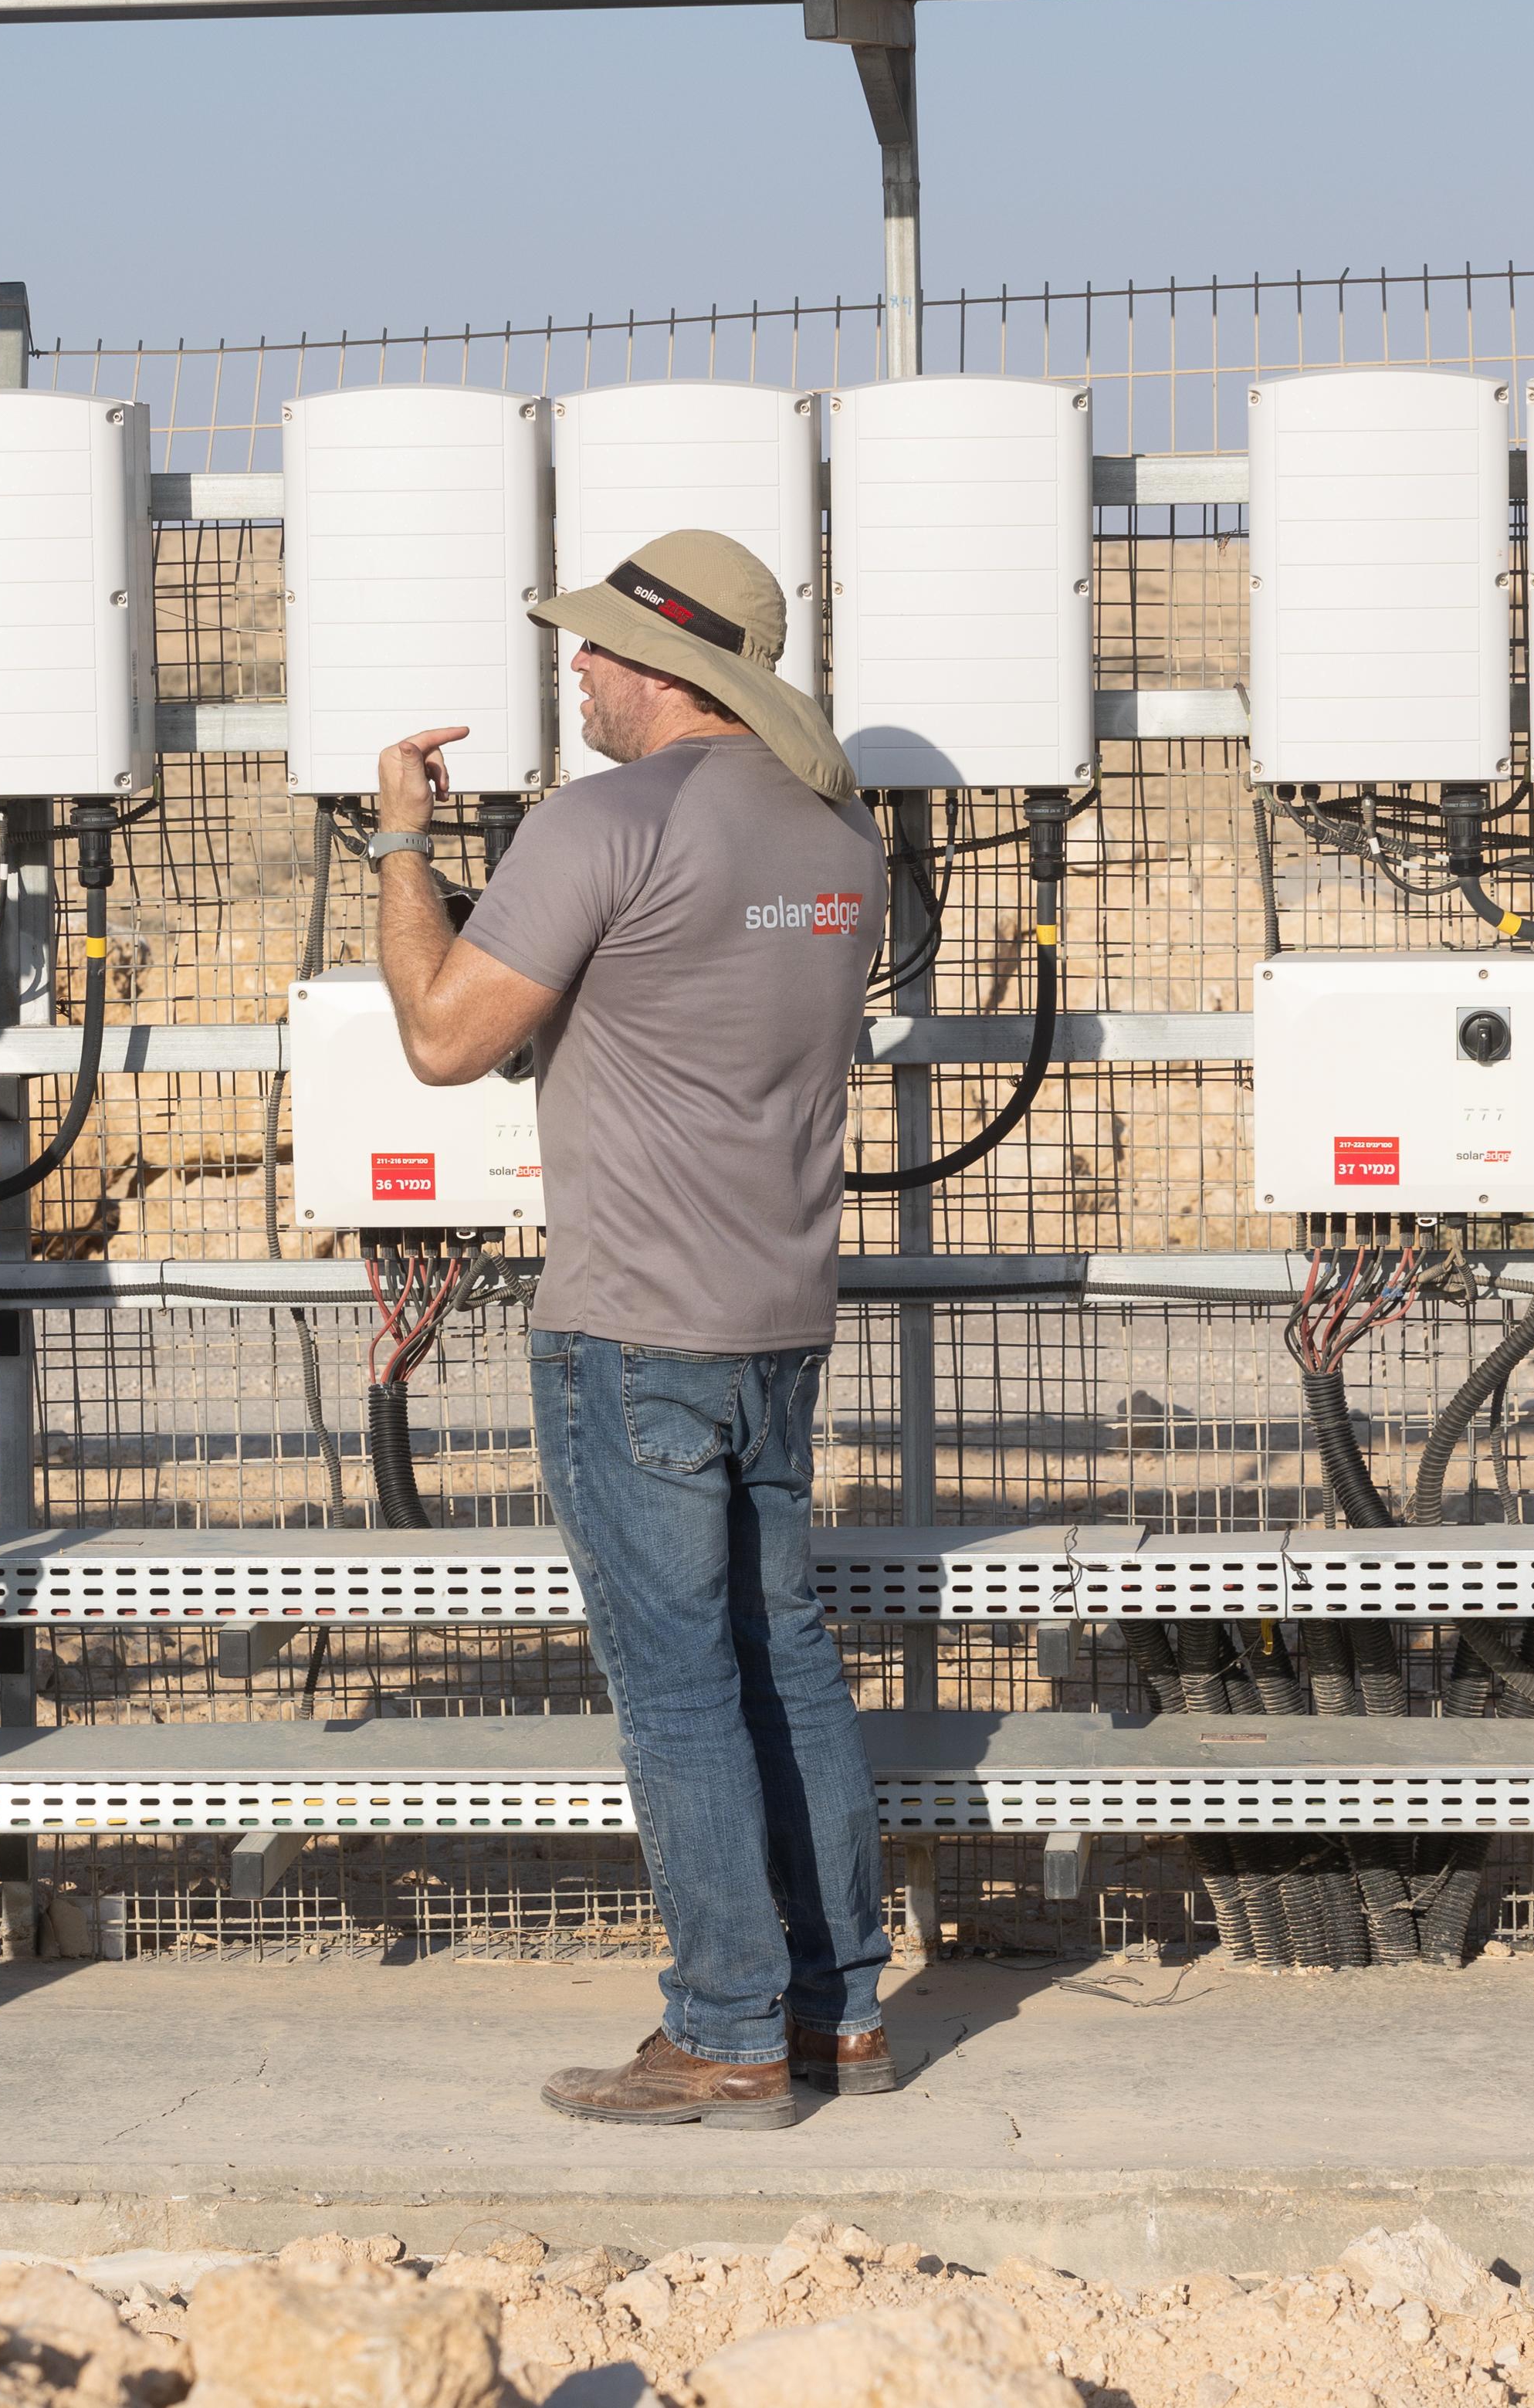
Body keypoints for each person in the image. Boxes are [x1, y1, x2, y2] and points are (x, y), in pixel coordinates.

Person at [364, 530, 894, 2132]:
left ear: (664, 668)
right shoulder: (841, 836)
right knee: (783, 1658)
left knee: (674, 1689)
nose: (573, 675)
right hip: (776, 1319)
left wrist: (397, 847)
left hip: (634, 1331)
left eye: (590, 653)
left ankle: (726, 2032)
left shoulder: (604, 819)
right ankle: (838, 2008)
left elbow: (446, 1038)